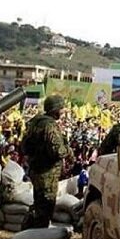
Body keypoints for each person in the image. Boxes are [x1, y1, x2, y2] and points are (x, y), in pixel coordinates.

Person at [21, 95, 72, 229]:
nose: (63, 111)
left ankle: (26, 233)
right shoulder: (50, 126)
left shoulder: (35, 122)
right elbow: (58, 151)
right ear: (55, 110)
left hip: (36, 169)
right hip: (47, 173)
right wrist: (68, 149)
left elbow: (24, 147)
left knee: (38, 204)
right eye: (61, 109)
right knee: (46, 207)